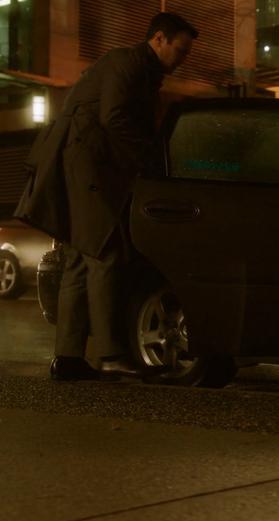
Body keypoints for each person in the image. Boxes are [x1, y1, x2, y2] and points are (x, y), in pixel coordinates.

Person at [15, 13, 197, 381]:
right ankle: (111, 355)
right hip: (87, 170)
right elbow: (115, 118)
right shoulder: (127, 65)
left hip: (84, 168)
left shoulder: (138, 71)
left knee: (82, 260)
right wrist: (150, 161)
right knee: (104, 253)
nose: (183, 58)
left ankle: (67, 358)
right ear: (159, 39)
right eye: (180, 49)